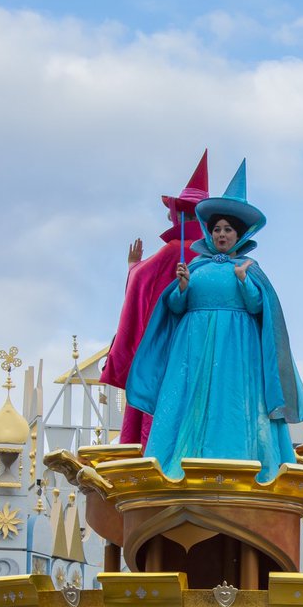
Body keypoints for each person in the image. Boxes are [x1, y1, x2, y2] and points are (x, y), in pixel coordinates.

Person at [126, 160, 303, 482]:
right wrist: (182, 288)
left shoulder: (249, 267)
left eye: (227, 229)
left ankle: (235, 461)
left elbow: (259, 309)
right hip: (193, 350)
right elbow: (173, 306)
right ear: (210, 234)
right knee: (191, 404)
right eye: (216, 229)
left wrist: (243, 281)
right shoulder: (195, 268)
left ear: (238, 234)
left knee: (229, 405)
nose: (221, 234)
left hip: (235, 352)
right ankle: (179, 463)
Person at [101, 149, 210, 447]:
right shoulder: (212, 254)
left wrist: (132, 266)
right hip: (201, 342)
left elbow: (140, 283)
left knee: (159, 399)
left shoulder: (172, 250)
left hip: (165, 341)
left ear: (181, 214)